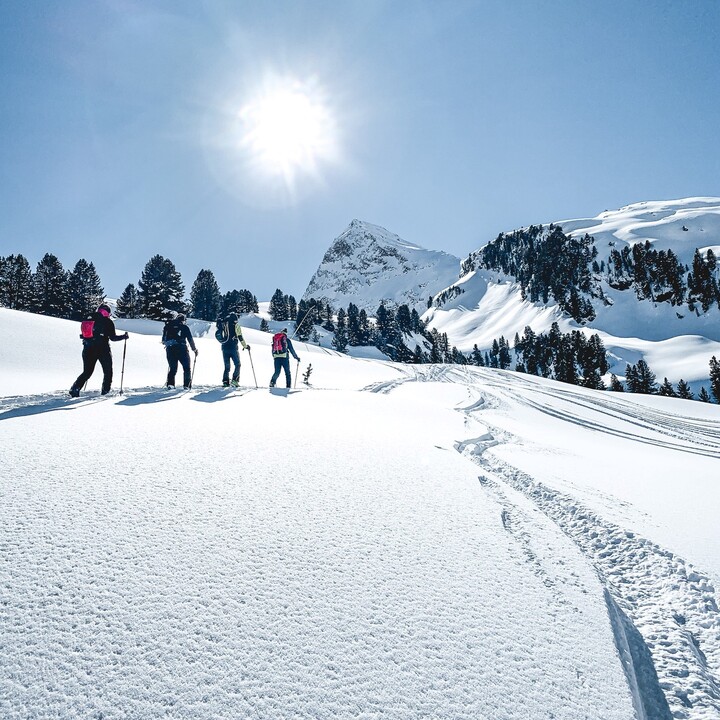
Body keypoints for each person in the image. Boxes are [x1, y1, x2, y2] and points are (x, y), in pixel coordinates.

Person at [69, 303, 129, 397]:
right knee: (107, 371)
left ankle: (75, 388)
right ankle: (105, 392)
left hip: (87, 348)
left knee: (87, 372)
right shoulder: (107, 322)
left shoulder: (89, 318)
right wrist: (124, 337)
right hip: (103, 350)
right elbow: (113, 338)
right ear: (108, 313)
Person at [162, 312, 198, 389]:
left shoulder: (168, 326)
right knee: (186, 368)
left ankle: (170, 385)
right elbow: (190, 339)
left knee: (173, 368)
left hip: (170, 349)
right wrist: (194, 349)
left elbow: (163, 340)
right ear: (183, 320)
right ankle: (187, 385)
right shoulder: (184, 327)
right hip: (182, 350)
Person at [217, 311, 250, 387]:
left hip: (224, 347)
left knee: (227, 366)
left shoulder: (224, 323)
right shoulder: (236, 325)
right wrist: (245, 346)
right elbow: (240, 336)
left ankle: (225, 382)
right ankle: (235, 380)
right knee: (238, 364)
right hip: (233, 348)